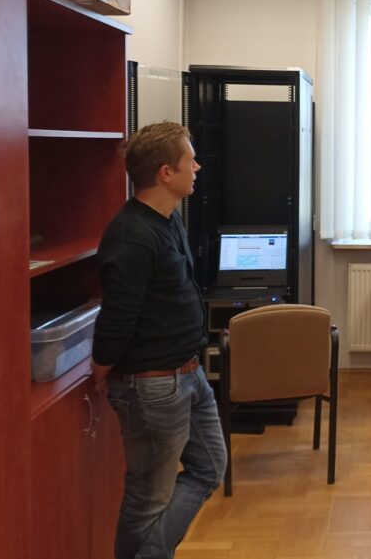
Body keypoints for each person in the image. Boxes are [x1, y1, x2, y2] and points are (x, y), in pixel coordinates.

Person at [91, 122, 227, 559]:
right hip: (153, 387)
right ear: (166, 172)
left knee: (210, 467)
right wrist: (102, 365)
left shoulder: (169, 221)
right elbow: (118, 315)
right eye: (191, 160)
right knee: (147, 499)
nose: (197, 167)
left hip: (189, 374)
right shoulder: (131, 235)